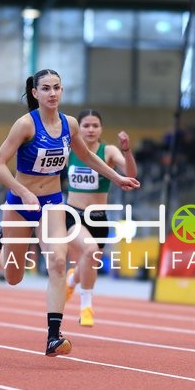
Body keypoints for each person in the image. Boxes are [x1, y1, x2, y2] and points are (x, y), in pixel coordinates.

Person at [0, 69, 140, 357]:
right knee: (13, 277)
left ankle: (53, 336)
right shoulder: (24, 125)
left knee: (59, 262)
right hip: (21, 204)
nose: (52, 93)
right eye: (45, 88)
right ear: (35, 93)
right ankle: (6, 239)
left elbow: (86, 156)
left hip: (52, 203)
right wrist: (23, 192)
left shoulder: (70, 124)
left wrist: (118, 178)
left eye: (57, 87)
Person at [64, 109, 137, 327]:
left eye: (95, 125)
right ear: (79, 128)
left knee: (89, 260)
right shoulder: (70, 149)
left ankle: (71, 279)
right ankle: (86, 307)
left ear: (101, 128)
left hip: (99, 218)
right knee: (90, 251)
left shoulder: (109, 151)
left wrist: (127, 151)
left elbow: (131, 174)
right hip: (73, 214)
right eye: (86, 125)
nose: (90, 130)